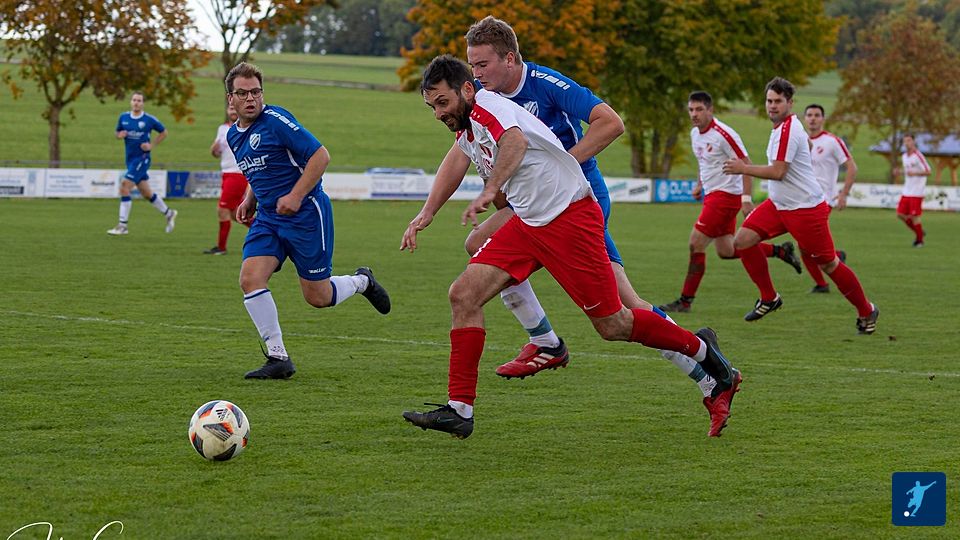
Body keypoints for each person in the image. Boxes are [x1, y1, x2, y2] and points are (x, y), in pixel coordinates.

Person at [405, 17, 738, 436]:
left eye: (482, 65)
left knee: (615, 323)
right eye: (472, 66)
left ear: (505, 62)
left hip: (569, 216)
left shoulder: (499, 101)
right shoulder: (474, 115)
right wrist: (427, 213)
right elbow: (458, 158)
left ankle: (705, 355)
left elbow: (519, 140)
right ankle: (462, 408)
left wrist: (494, 187)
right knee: (464, 292)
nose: (439, 113)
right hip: (530, 220)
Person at [225, 62, 392, 379]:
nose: (251, 99)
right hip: (269, 218)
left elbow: (320, 156)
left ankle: (362, 282)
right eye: (243, 93)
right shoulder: (234, 135)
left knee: (318, 297)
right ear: (230, 99)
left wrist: (296, 195)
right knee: (250, 279)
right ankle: (278, 358)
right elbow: (259, 169)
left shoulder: (276, 121)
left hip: (306, 214)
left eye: (256, 92)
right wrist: (250, 199)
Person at [722, 77, 879, 334]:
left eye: (778, 101)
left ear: (790, 103)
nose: (772, 106)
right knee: (742, 241)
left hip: (805, 210)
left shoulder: (787, 130)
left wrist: (743, 168)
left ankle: (866, 310)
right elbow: (806, 144)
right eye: (769, 101)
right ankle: (769, 298)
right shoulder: (787, 126)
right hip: (779, 205)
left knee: (828, 264)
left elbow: (778, 172)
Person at [659, 91, 801, 313]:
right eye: (691, 110)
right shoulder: (695, 133)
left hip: (725, 197)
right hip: (712, 195)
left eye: (699, 109)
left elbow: (746, 164)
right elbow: (704, 163)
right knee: (726, 250)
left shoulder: (724, 134)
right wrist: (699, 184)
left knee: (696, 243)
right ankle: (780, 251)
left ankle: (685, 301)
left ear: (710, 110)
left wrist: (746, 199)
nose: (694, 114)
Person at [803, 104, 857, 292]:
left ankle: (824, 279)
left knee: (806, 244)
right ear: (804, 119)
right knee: (805, 246)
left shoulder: (832, 141)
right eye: (809, 115)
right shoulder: (800, 141)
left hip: (824, 200)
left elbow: (852, 167)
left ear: (823, 119)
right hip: (803, 200)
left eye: (817, 115)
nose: (813, 118)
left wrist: (844, 194)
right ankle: (825, 276)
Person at [107, 91, 177, 235]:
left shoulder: (149, 120)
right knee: (146, 193)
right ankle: (169, 213)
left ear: (143, 103)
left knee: (124, 186)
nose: (136, 103)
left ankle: (122, 226)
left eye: (139, 100)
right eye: (134, 100)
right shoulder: (124, 117)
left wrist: (151, 145)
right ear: (130, 102)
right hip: (130, 160)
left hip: (142, 159)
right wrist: (119, 135)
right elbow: (117, 132)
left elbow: (164, 132)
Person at [204, 104, 249, 255]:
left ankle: (221, 248)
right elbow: (216, 153)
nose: (233, 111)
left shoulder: (246, 128)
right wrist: (214, 149)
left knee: (222, 209)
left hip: (238, 174)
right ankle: (267, 230)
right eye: (230, 109)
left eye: (235, 108)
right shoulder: (222, 129)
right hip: (226, 173)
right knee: (235, 213)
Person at [894, 133, 931, 247]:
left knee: (914, 216)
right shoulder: (904, 156)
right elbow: (908, 171)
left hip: (917, 191)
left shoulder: (918, 155)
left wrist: (915, 173)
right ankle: (919, 231)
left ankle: (919, 241)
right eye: (905, 141)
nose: (907, 143)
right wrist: (900, 172)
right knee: (900, 214)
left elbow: (928, 171)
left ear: (913, 142)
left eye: (909, 140)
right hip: (907, 190)